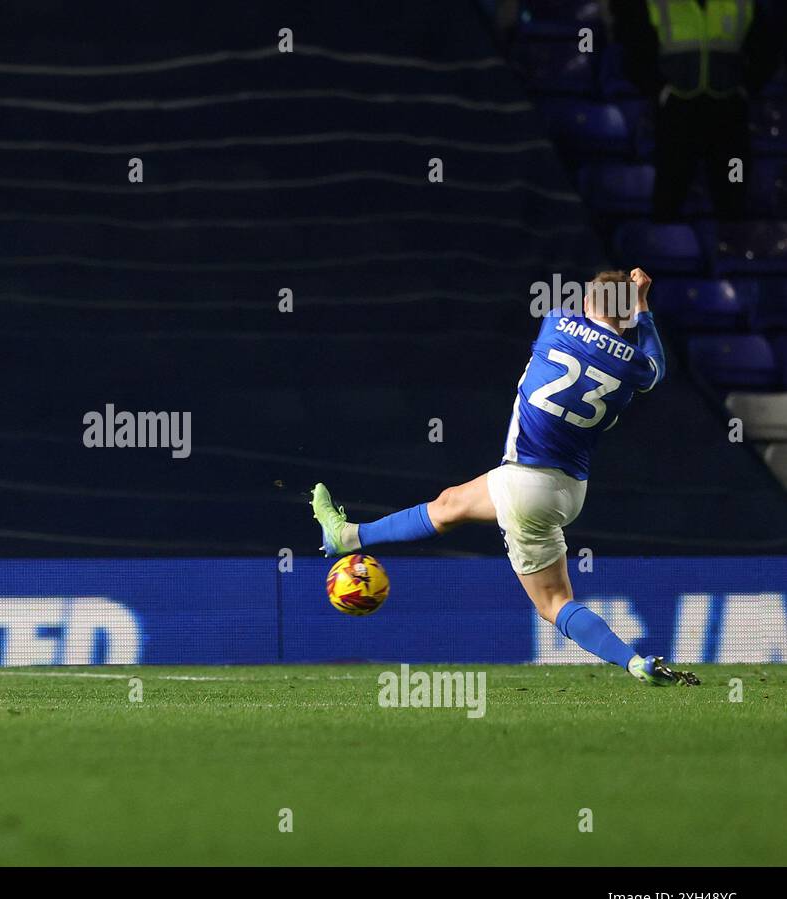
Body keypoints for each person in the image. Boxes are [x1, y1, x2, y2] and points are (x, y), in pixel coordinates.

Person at [311, 268, 700, 687]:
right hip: (568, 487)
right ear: (626, 319)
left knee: (554, 603)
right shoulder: (636, 366)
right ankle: (348, 536)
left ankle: (634, 663)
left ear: (587, 301)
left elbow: (591, 316)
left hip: (526, 482)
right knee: (450, 504)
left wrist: (625, 297)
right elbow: (657, 366)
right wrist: (641, 305)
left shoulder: (556, 321)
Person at [613, 0, 783, 221]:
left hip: (729, 116)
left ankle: (730, 245)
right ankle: (664, 243)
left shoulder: (742, 3)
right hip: (677, 114)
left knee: (734, 189)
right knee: (669, 193)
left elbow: (768, 48)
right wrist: (659, 89)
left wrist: (747, 88)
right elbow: (632, 51)